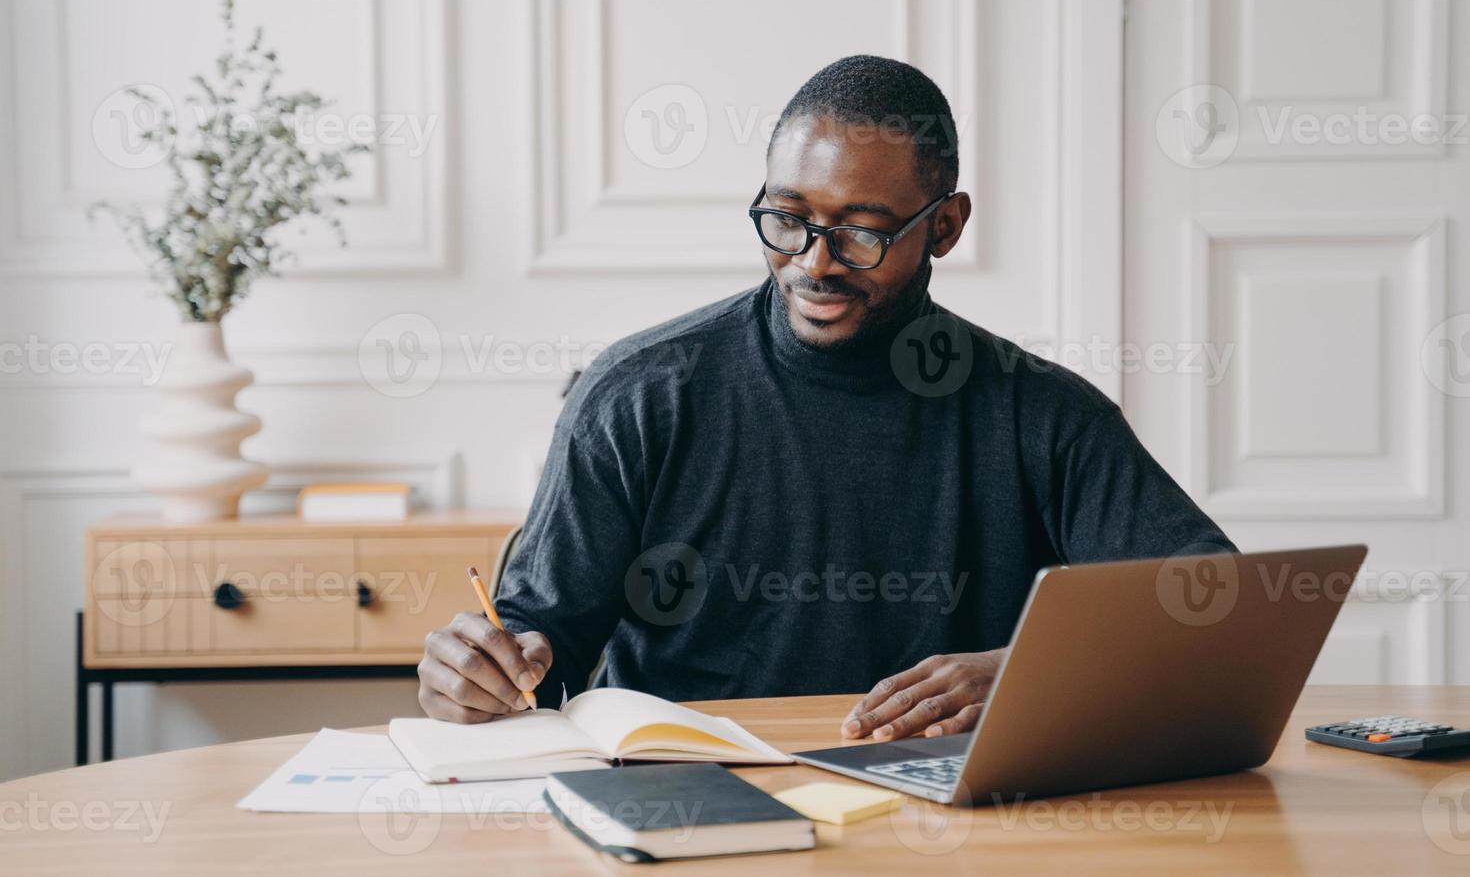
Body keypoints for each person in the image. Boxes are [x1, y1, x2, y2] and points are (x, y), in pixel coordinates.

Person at [417, 55, 1234, 742]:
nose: (814, 262)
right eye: (788, 218)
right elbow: (535, 645)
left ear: (944, 227)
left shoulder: (1044, 417)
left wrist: (1037, 673)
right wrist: (478, 677)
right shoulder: (638, 396)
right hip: (689, 810)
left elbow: (1213, 613)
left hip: (949, 827)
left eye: (862, 231)